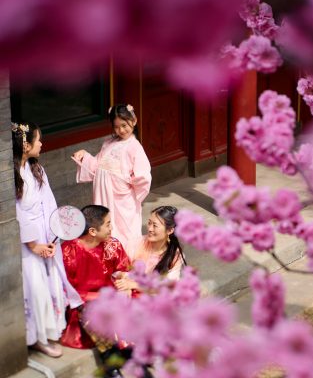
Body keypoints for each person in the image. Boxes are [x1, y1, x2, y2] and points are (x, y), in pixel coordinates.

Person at [12, 122, 83, 358]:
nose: (41, 144)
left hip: (45, 236)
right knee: (35, 289)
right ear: (25, 145)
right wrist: (34, 244)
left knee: (50, 281)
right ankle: (36, 337)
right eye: (38, 140)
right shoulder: (11, 175)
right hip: (25, 244)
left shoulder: (37, 170)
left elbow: (49, 203)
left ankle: (49, 330)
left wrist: (54, 237)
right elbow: (17, 213)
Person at [72, 104, 151, 259]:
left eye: (124, 125)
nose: (121, 130)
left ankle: (125, 263)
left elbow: (144, 176)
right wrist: (84, 156)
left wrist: (127, 182)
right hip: (104, 193)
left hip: (122, 198)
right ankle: (108, 262)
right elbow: (97, 165)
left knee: (124, 230)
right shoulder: (108, 142)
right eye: (116, 127)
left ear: (133, 121)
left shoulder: (135, 147)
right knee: (104, 226)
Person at [60, 205, 131, 349]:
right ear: (92, 231)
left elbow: (125, 269)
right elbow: (66, 291)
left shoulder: (112, 244)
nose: (111, 228)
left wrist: (126, 283)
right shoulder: (68, 252)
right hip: (83, 303)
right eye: (108, 224)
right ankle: (115, 357)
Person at [114, 206, 186, 293]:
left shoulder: (175, 255)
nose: (150, 229)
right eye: (149, 223)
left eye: (155, 225)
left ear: (170, 230)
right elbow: (116, 269)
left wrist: (136, 284)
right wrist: (126, 280)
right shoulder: (135, 243)